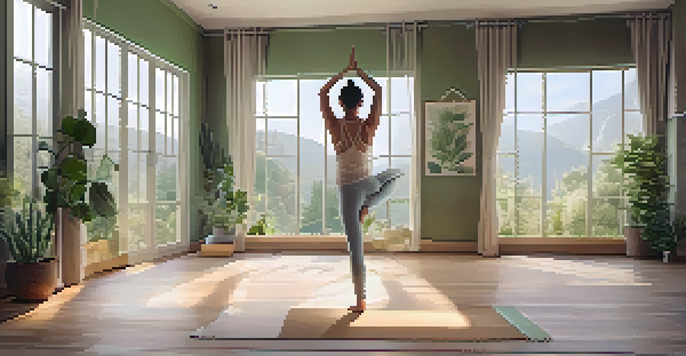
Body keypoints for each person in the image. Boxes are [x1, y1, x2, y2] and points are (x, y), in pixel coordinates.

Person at [319, 47, 403, 313]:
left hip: (349, 192)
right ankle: (371, 204)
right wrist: (360, 72)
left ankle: (361, 300)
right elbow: (378, 91)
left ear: (341, 103)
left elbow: (322, 93)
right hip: (368, 184)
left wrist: (344, 73)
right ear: (361, 104)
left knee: (356, 248)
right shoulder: (369, 126)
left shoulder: (334, 126)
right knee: (396, 175)